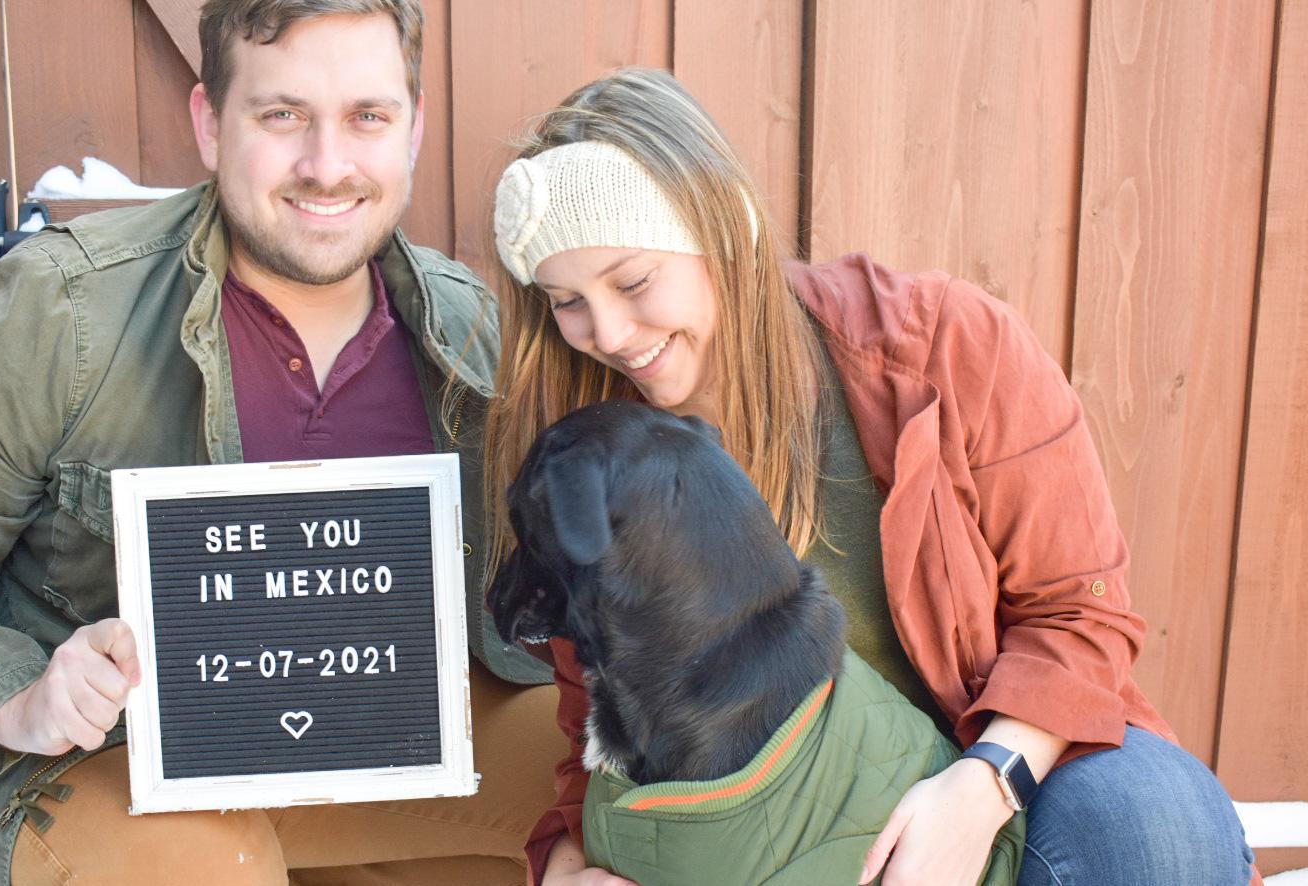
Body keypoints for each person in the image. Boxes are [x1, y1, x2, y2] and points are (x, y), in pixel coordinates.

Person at [0, 2, 560, 885]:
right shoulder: (63, 308)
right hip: (108, 754)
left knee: (619, 782)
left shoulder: (469, 330)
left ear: (412, 129)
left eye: (368, 116)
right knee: (206, 867)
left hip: (375, 731)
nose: (326, 165)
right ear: (211, 124)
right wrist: (21, 696)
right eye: (282, 114)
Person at [483, 67, 1259, 886]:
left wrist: (981, 786)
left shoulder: (945, 344)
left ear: (728, 224)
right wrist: (569, 867)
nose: (606, 332)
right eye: (566, 301)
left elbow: (1078, 615)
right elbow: (603, 721)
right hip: (798, 845)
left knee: (1156, 830)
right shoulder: (601, 463)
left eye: (634, 281)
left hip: (1017, 777)